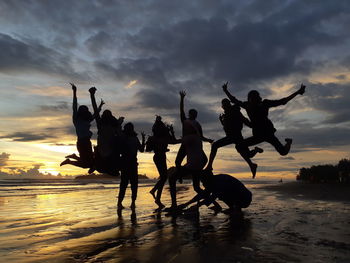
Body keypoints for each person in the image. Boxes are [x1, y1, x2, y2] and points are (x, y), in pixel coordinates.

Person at [223, 82, 306, 156]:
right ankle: (255, 151)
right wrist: (225, 91)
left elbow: (283, 101)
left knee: (283, 152)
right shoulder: (247, 105)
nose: (254, 102)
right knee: (239, 146)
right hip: (258, 135)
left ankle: (288, 142)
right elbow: (234, 100)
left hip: (268, 133)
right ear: (249, 99)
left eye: (255, 100)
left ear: (258, 99)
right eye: (252, 100)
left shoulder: (264, 104)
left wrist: (298, 92)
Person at [167, 91, 213, 212]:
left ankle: (174, 205)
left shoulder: (192, 126)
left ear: (195, 115)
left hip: (191, 155)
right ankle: (214, 204)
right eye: (191, 113)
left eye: (193, 113)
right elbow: (181, 111)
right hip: (195, 157)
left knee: (173, 178)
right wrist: (182, 99)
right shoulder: (191, 125)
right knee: (197, 187)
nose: (192, 114)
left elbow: (182, 112)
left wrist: (182, 99)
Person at [205, 98, 263, 178]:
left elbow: (245, 121)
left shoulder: (235, 111)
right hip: (231, 137)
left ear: (229, 104)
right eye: (223, 105)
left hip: (236, 136)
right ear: (222, 107)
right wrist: (222, 121)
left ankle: (209, 166)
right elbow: (227, 127)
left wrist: (255, 125)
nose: (224, 107)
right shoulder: (226, 114)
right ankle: (253, 162)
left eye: (226, 104)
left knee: (215, 145)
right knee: (247, 154)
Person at [60, 83, 102, 169]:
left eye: (85, 110)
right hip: (82, 143)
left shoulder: (87, 119)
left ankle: (73, 158)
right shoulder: (76, 119)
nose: (84, 112)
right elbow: (74, 105)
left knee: (88, 163)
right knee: (87, 164)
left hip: (86, 142)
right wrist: (74, 92)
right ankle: (71, 160)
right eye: (83, 110)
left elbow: (95, 114)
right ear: (80, 112)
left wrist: (100, 106)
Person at [179, 171, 252, 214]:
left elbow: (212, 197)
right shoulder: (213, 181)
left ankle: (236, 209)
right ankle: (233, 208)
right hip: (241, 196)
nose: (203, 184)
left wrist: (197, 206)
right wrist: (186, 204)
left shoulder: (219, 182)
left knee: (222, 194)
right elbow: (203, 194)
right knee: (222, 194)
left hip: (244, 198)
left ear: (208, 179)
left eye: (203, 181)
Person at [148, 116, 181, 209]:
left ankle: (155, 193)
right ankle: (156, 196)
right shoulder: (158, 137)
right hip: (159, 157)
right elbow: (174, 141)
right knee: (164, 177)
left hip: (160, 156)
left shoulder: (157, 137)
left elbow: (173, 141)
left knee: (163, 177)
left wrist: (172, 132)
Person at [89, 87, 124, 175]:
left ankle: (95, 165)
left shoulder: (103, 124)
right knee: (109, 166)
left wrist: (92, 95)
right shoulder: (109, 124)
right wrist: (92, 95)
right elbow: (95, 110)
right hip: (109, 149)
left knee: (106, 166)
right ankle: (95, 165)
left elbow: (95, 110)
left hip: (107, 148)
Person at [117, 122, 145, 210]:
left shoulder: (124, 137)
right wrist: (143, 139)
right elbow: (141, 150)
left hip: (126, 163)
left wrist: (143, 139)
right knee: (133, 184)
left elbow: (141, 150)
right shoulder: (134, 138)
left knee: (124, 184)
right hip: (131, 163)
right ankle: (131, 203)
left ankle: (121, 203)